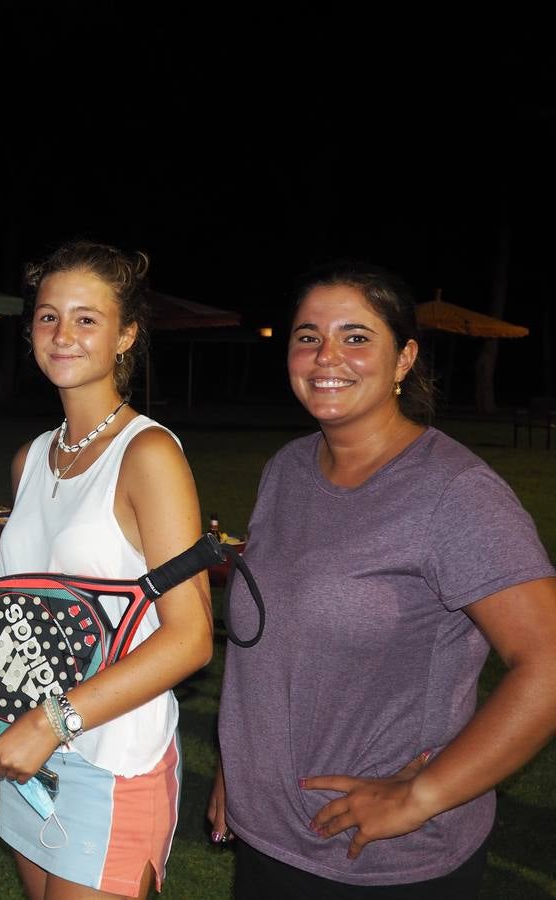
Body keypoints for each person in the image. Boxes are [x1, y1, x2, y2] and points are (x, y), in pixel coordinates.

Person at [208, 261, 556, 898]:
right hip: (269, 835)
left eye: (357, 336)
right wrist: (242, 763)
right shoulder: (287, 468)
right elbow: (273, 639)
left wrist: (423, 795)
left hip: (378, 860)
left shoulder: (454, 494)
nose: (326, 356)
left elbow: (548, 661)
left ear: (404, 359)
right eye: (307, 335)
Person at [0, 240, 214, 898]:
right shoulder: (31, 460)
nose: (63, 334)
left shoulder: (148, 454)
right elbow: (24, 615)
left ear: (126, 336)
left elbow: (192, 636)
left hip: (115, 762)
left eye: (87, 319)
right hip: (33, 765)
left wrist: (50, 721)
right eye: (49, 316)